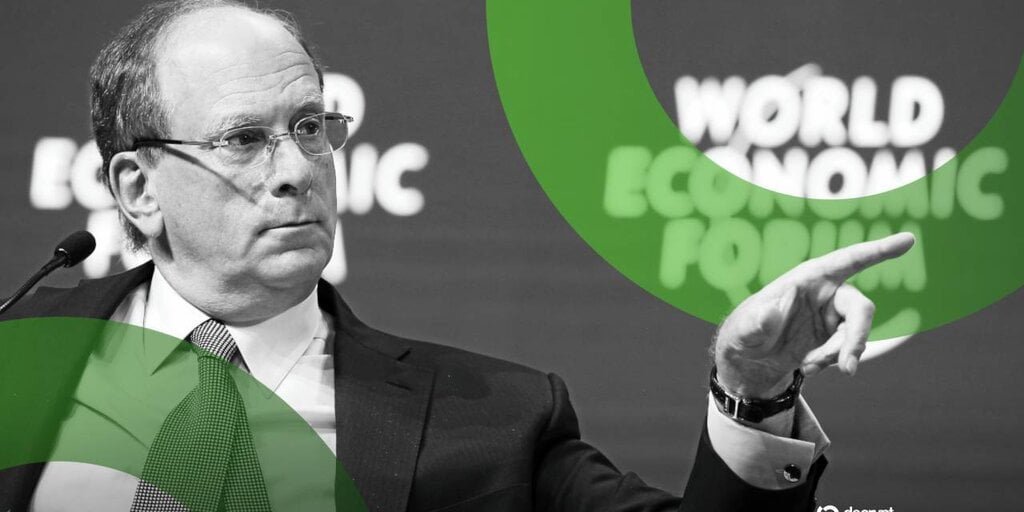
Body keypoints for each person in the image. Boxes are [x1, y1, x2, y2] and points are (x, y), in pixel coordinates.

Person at [0, 1, 915, 510]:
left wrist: (752, 389)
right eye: (245, 140)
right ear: (138, 189)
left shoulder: (497, 421)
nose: (297, 171)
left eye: (311, 128)